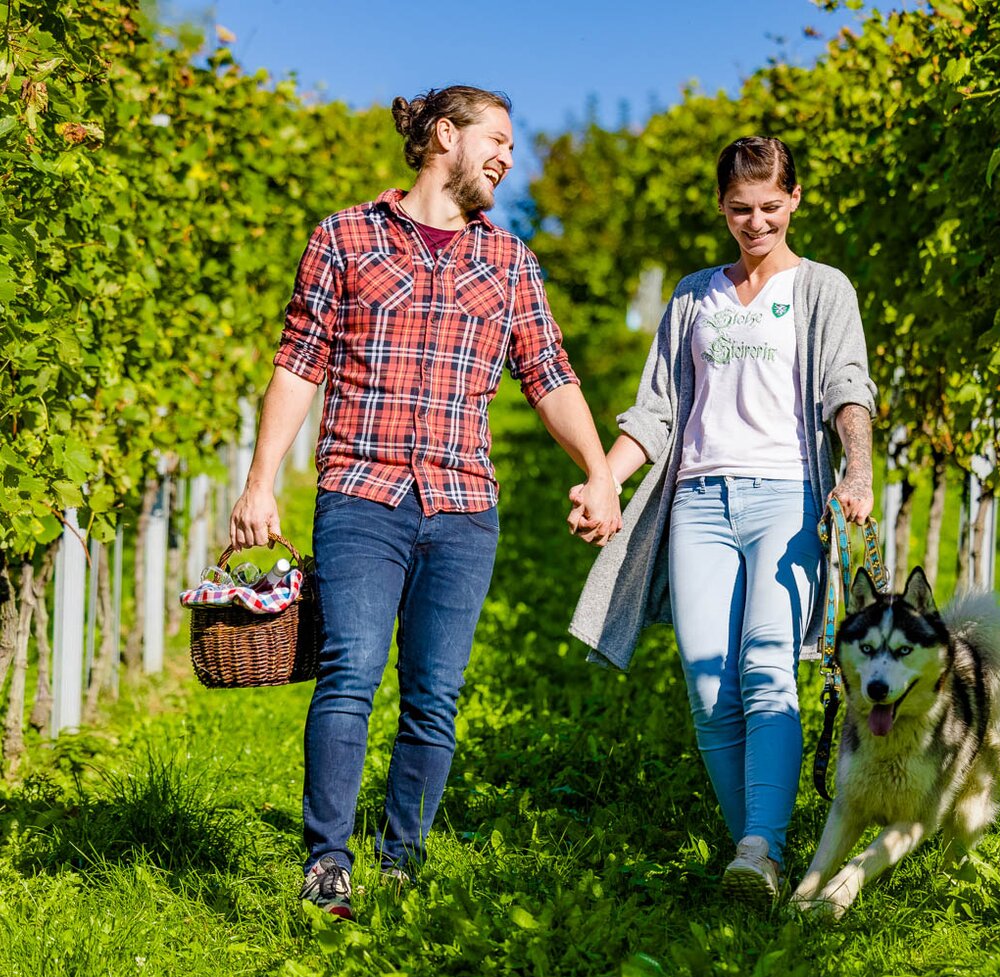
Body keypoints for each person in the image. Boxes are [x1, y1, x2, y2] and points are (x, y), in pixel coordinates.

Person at [229, 85, 621, 920]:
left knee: (435, 693)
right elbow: (299, 362)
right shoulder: (345, 237)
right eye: (500, 140)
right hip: (363, 493)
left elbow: (548, 373)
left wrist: (598, 467)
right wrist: (261, 479)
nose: (509, 158)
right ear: (445, 135)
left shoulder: (509, 262)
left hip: (463, 506)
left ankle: (401, 861)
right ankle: (327, 861)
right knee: (351, 671)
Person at [568, 136, 875, 906]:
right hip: (698, 506)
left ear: (795, 200)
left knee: (768, 673)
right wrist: (604, 479)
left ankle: (758, 847)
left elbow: (847, 385)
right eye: (741, 209)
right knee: (711, 688)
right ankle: (763, 863)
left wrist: (859, 468)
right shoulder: (692, 295)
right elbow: (658, 412)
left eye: (771, 206)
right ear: (722, 209)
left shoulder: (823, 288)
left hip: (787, 500)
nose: (757, 222)